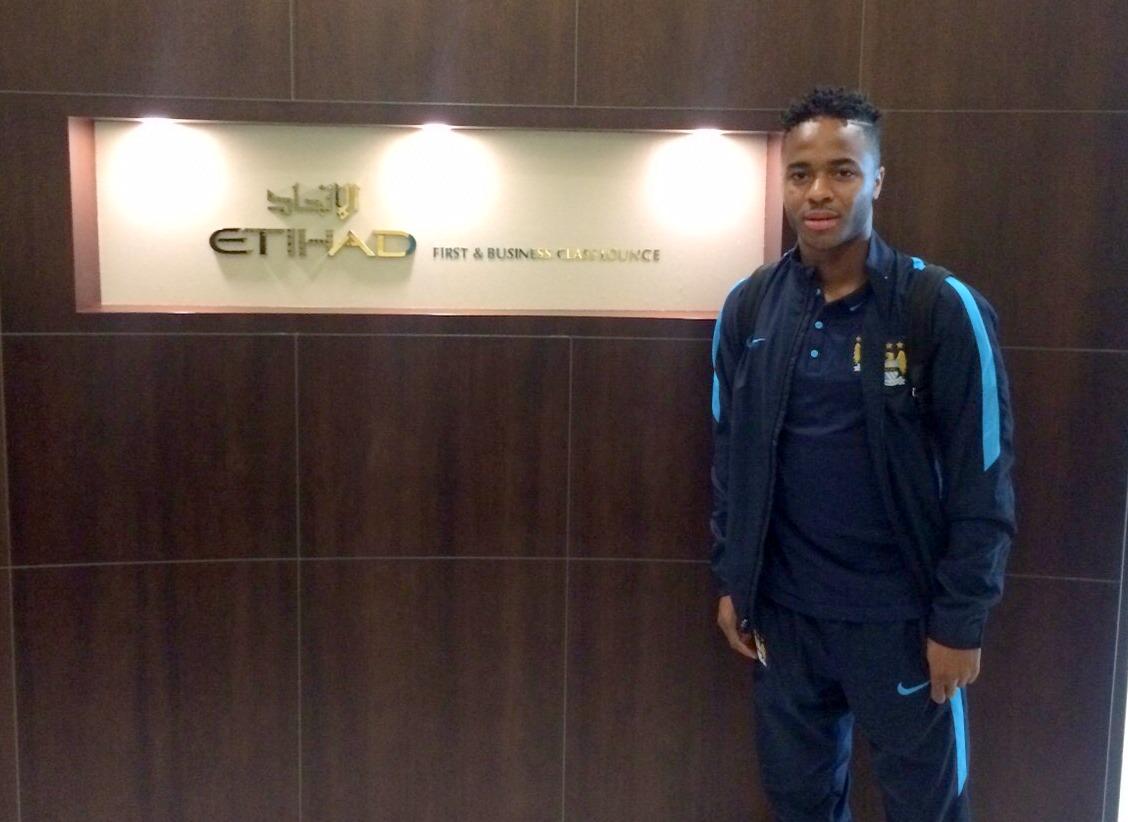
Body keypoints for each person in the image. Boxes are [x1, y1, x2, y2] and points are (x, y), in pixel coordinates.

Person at [709, 87, 1015, 821]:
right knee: (800, 804)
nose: (818, 191)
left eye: (842, 170)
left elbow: (984, 477)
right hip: (785, 621)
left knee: (927, 809)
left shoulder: (939, 307)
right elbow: (730, 460)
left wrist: (959, 621)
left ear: (877, 180)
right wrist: (734, 579)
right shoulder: (750, 307)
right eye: (801, 173)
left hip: (902, 627)